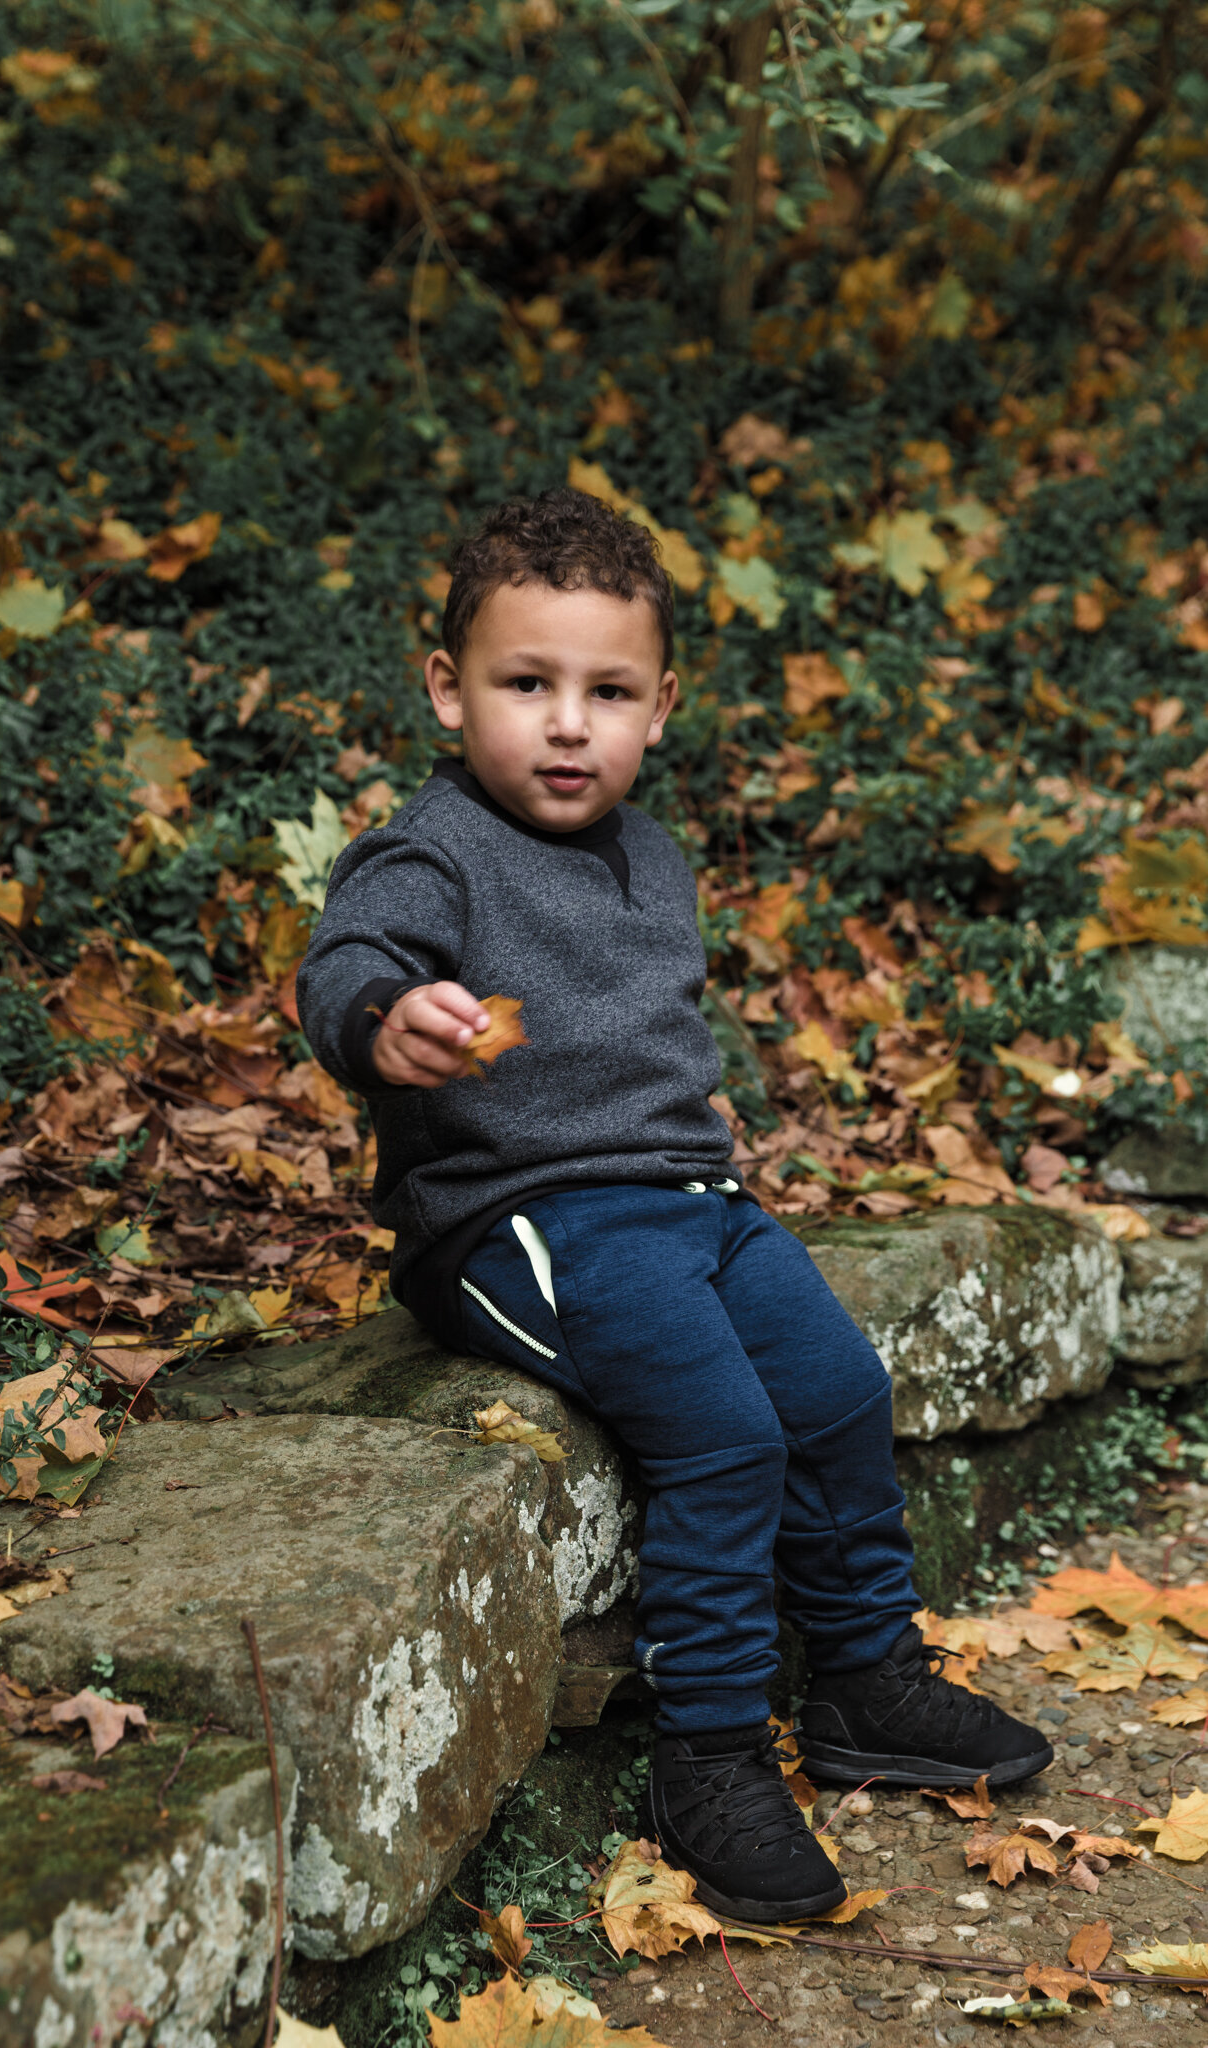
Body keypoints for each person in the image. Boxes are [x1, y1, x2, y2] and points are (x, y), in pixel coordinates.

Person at [295, 487, 1052, 1923]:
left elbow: (641, 1029)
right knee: (722, 1436)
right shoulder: (431, 849)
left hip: (679, 1195)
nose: (567, 723)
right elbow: (345, 963)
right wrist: (384, 1016)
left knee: (832, 1388)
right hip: (521, 1220)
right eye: (527, 685)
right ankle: (702, 1758)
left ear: (661, 708)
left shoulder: (650, 856)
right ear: (450, 693)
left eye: (607, 691)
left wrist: (687, 1111)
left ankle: (862, 1680)